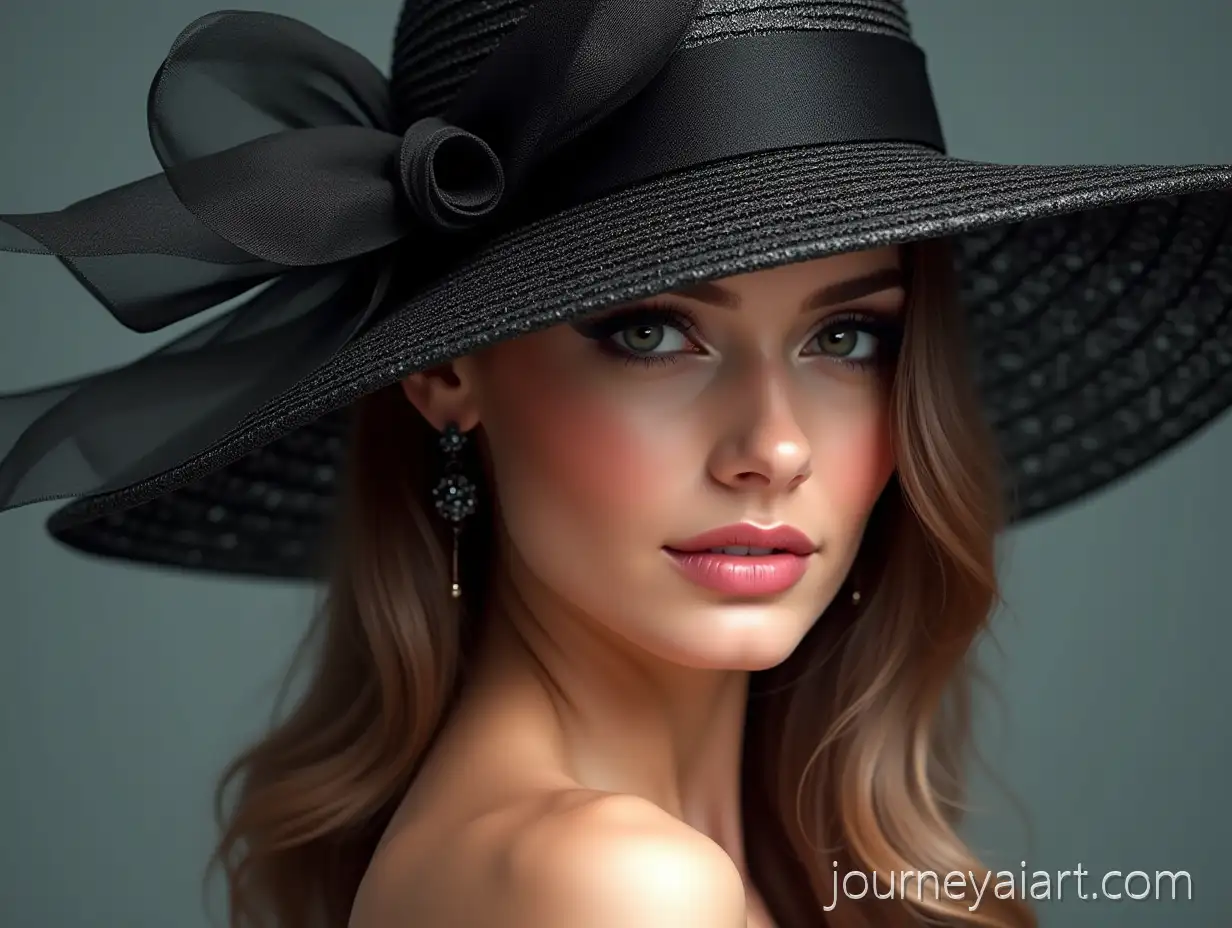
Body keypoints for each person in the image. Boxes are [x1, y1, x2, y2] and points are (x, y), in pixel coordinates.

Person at [0, 1, 1229, 926]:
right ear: (447, 371)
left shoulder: (678, 857)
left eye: (847, 336)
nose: (775, 447)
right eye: (651, 330)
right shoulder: (614, 885)